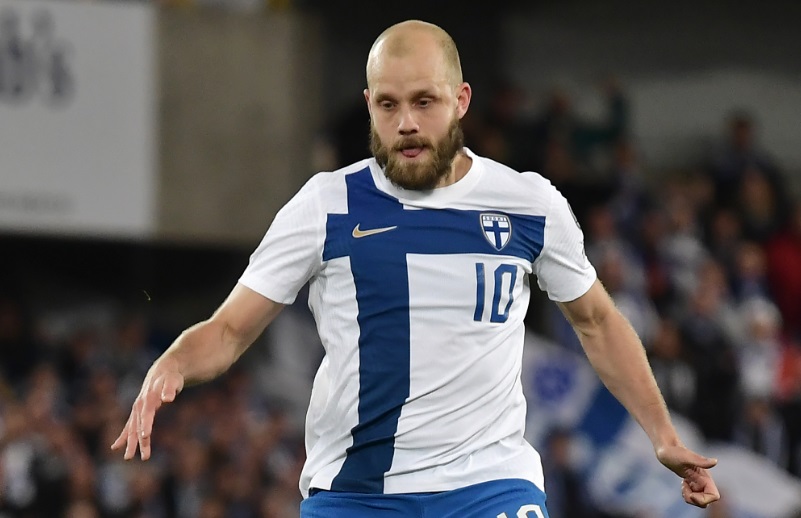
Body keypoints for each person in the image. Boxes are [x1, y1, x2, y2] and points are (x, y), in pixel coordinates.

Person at [112, 20, 720, 517]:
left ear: (461, 101)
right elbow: (228, 330)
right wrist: (173, 362)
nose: (406, 122)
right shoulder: (326, 205)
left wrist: (663, 436)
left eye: (424, 102)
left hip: (490, 486)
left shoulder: (529, 204)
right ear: (369, 106)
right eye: (388, 104)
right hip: (357, 494)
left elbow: (597, 322)